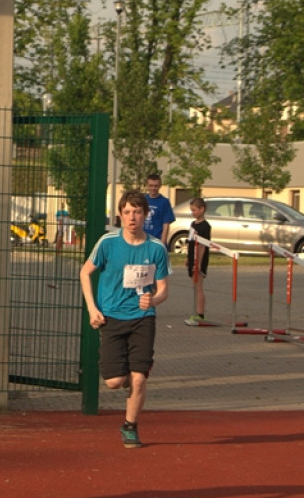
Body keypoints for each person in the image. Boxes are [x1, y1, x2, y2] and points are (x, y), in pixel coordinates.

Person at [80, 189, 171, 449]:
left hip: (143, 317)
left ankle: (130, 426)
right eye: (128, 212)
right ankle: (130, 376)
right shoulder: (107, 243)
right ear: (120, 215)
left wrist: (153, 300)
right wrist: (92, 309)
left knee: (139, 378)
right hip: (111, 317)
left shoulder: (156, 249)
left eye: (138, 212)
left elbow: (164, 290)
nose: (132, 217)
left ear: (145, 215)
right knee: (114, 382)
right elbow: (85, 273)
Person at [185, 197, 211, 326]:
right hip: (191, 257)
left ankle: (200, 313)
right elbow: (190, 241)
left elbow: (203, 246)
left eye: (194, 210)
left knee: (198, 286)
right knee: (194, 286)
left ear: (202, 209)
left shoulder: (205, 226)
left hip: (199, 259)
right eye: (191, 210)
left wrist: (198, 263)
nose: (192, 213)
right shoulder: (193, 224)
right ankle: (196, 311)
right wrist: (188, 259)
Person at [143, 173, 175, 242]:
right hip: (143, 239)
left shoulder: (164, 202)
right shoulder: (142, 200)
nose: (153, 188)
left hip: (157, 240)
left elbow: (166, 226)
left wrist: (162, 243)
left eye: (156, 186)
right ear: (147, 186)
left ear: (160, 186)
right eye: (151, 186)